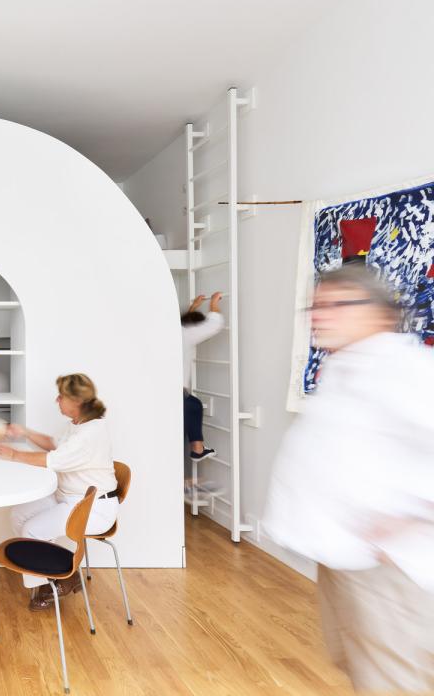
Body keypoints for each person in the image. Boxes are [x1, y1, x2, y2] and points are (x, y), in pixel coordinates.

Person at [264, 265, 434, 693]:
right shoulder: (345, 367)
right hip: (343, 555)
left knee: (391, 680)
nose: (319, 316)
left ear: (379, 313)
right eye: (316, 306)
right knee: (358, 663)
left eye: (336, 305)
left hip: (388, 565)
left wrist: (415, 519)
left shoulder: (408, 369)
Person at [0, 373, 119, 611]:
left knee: (32, 529)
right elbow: (56, 444)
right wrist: (25, 433)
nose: (57, 400)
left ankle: (52, 584)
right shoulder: (79, 424)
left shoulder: (90, 434)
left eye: (61, 396)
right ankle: (61, 576)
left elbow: (53, 459)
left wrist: (14, 455)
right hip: (69, 498)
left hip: (93, 508)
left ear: (77, 401)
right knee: (19, 515)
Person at [181, 292, 224, 460]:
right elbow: (215, 323)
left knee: (192, 405)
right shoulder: (187, 334)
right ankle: (197, 450)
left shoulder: (177, 330)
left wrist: (194, 307)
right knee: (193, 405)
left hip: (167, 392)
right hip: (174, 393)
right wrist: (213, 303)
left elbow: (185, 322)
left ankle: (197, 449)